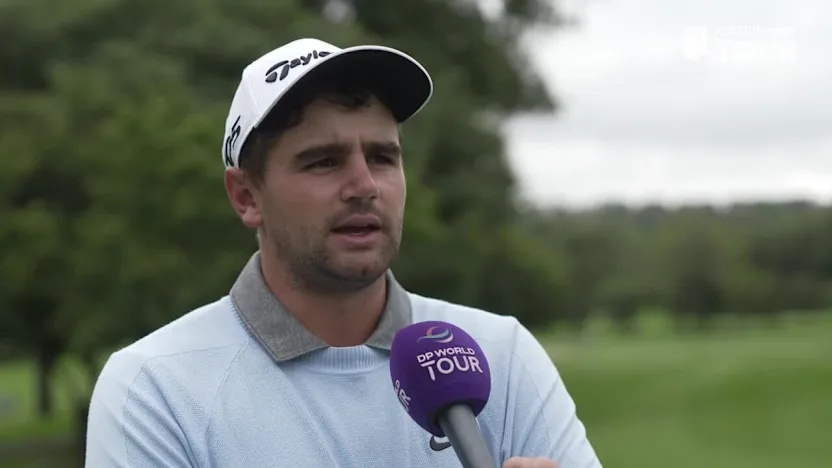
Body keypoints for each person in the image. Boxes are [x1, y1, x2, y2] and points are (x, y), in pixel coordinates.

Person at [84, 38, 602, 468]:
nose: (364, 185)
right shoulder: (156, 388)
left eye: (382, 157)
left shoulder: (501, 354)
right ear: (246, 196)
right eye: (324, 162)